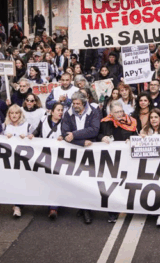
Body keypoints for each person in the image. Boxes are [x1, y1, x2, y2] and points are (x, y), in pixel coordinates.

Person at [61, 91, 102, 224]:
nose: (75, 106)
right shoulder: (68, 113)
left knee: (88, 180)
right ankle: (83, 207)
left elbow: (94, 130)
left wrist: (74, 134)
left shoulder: (94, 112)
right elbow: (65, 133)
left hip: (90, 152)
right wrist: (80, 141)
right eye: (73, 103)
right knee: (77, 179)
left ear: (84, 103)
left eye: (78, 103)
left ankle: (87, 209)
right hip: (75, 150)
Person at [34, 102, 65, 219]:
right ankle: (52, 205)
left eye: (62, 110)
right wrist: (32, 135)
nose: (60, 112)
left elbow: (67, 133)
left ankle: (54, 208)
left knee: (56, 180)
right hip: (45, 154)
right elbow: (37, 131)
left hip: (59, 156)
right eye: (58, 110)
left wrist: (64, 137)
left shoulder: (65, 122)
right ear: (52, 111)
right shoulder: (43, 120)